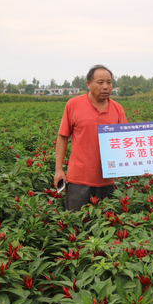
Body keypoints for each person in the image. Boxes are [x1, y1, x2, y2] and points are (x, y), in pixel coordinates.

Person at [53, 65, 127, 211]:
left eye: (109, 82)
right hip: (78, 181)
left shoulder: (117, 109)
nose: (105, 86)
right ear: (89, 84)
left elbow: (125, 143)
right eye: (100, 82)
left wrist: (142, 166)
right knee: (76, 225)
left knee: (104, 228)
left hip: (107, 181)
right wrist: (58, 169)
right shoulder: (73, 105)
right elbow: (63, 136)